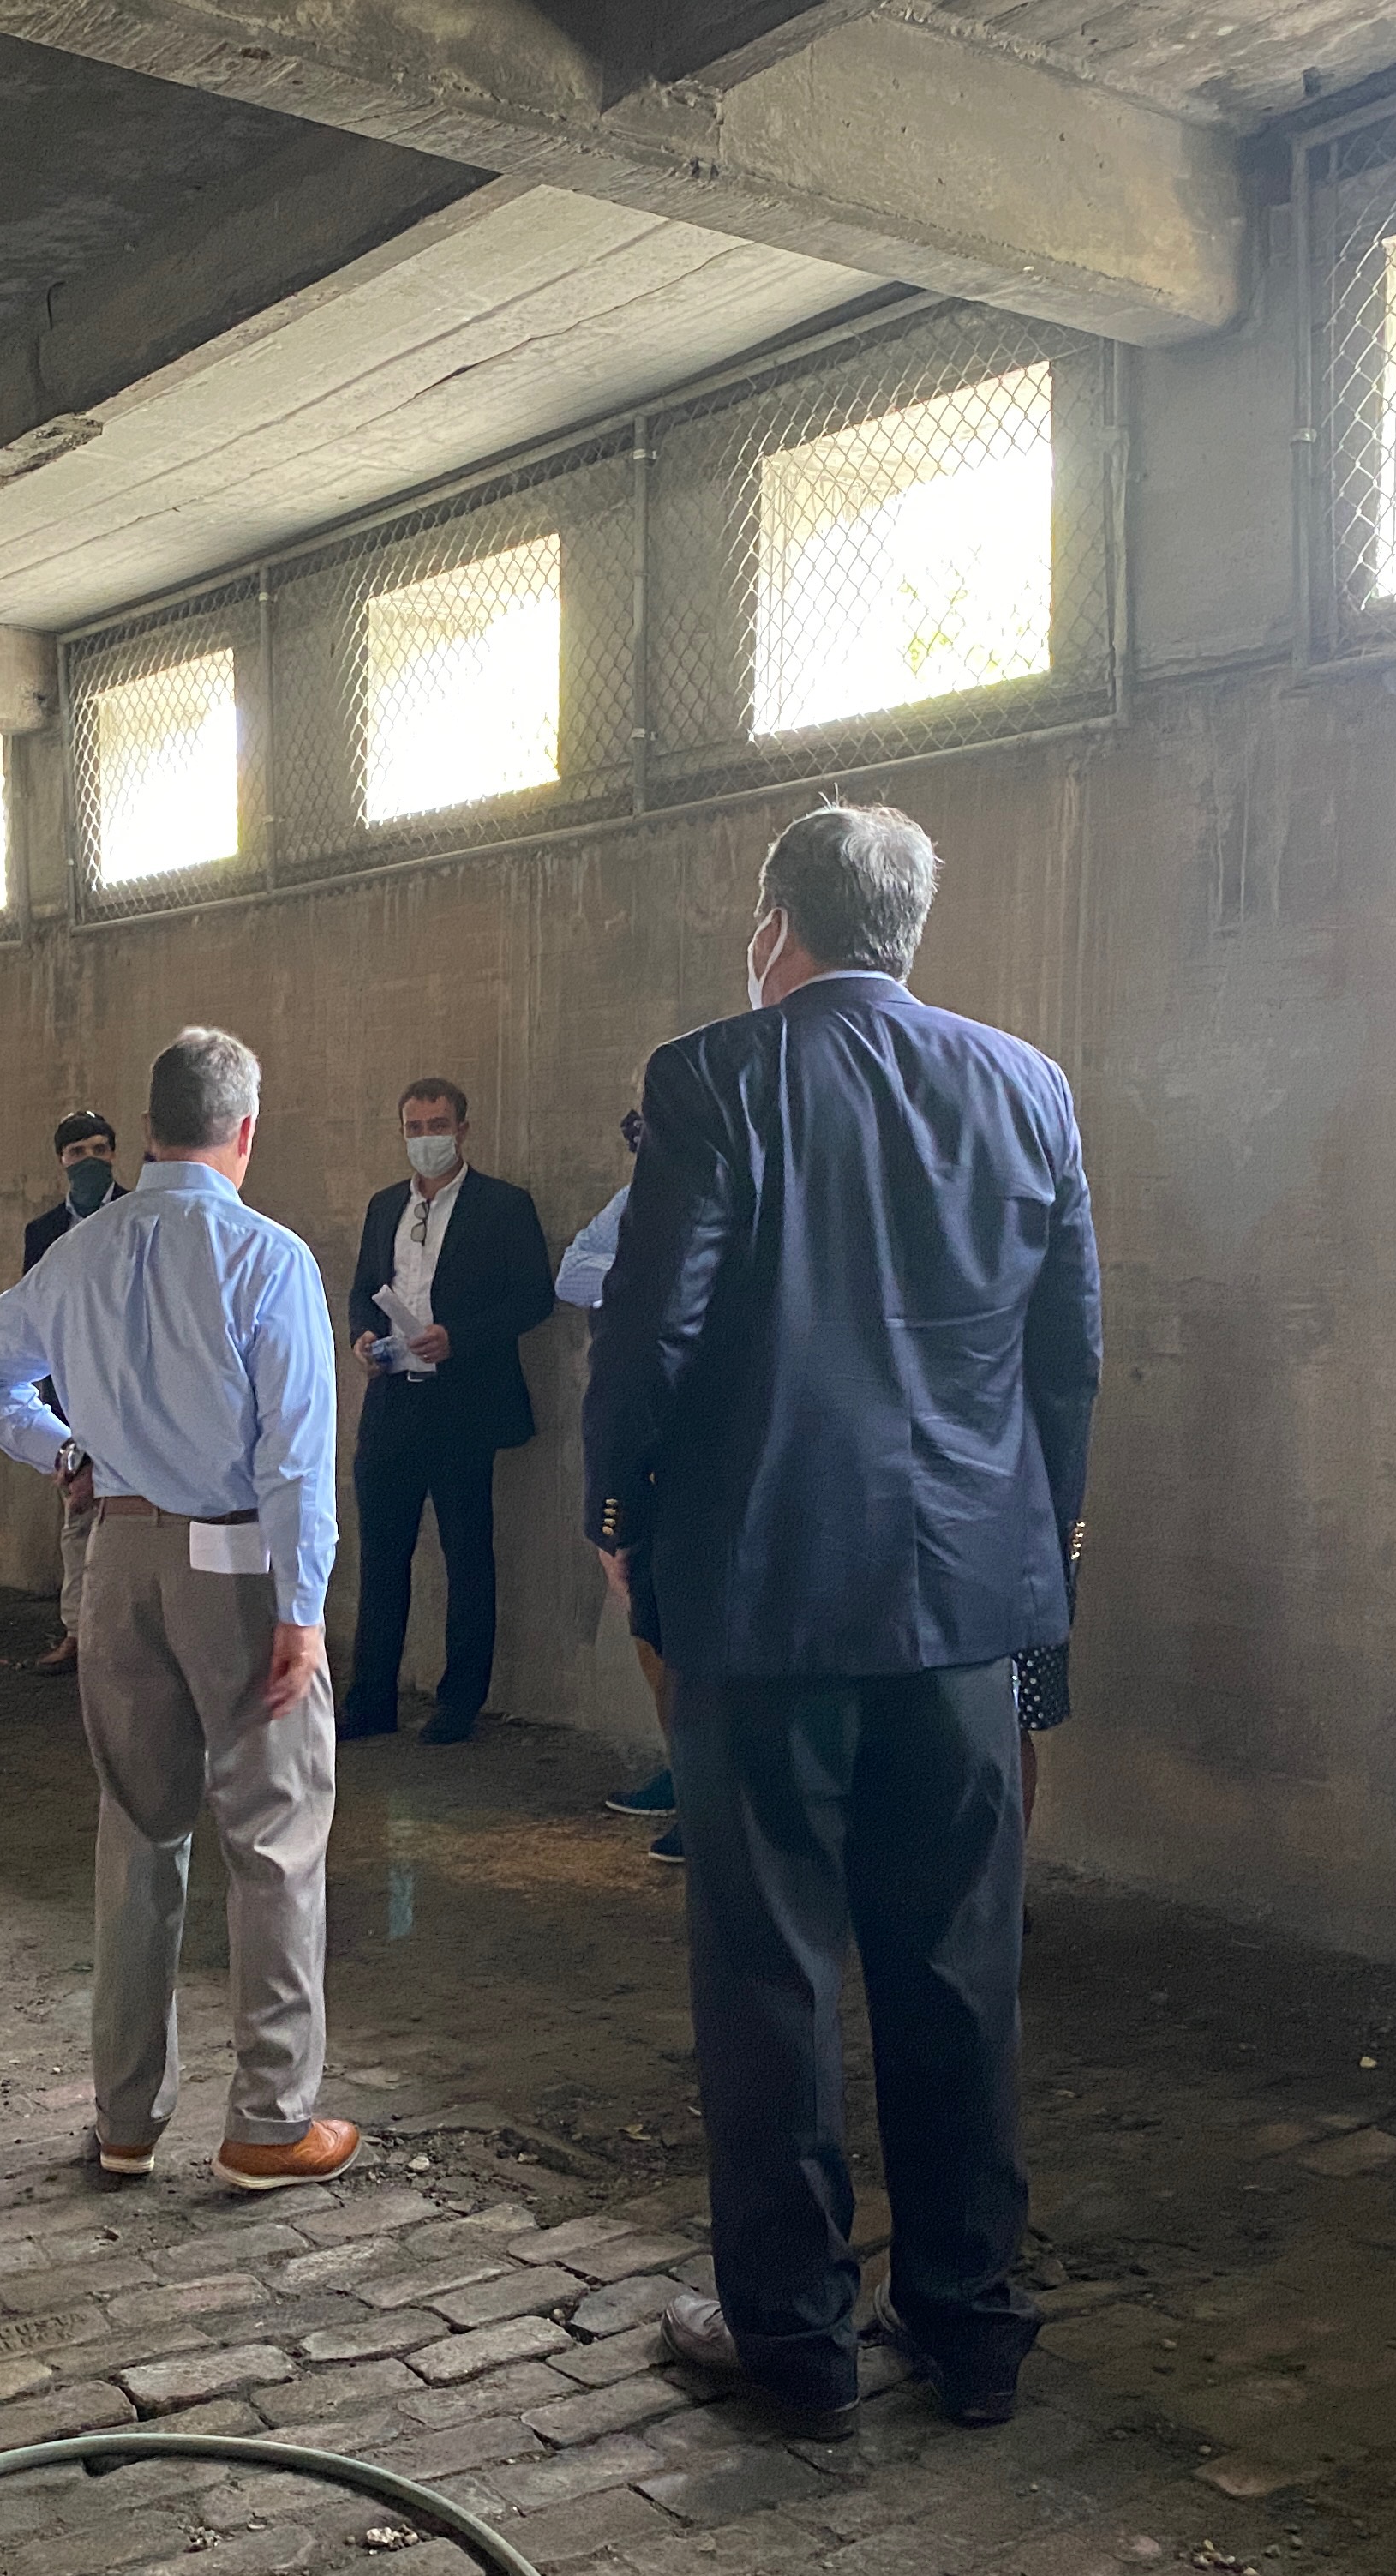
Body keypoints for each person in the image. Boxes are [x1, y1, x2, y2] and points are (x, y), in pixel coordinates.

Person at [588, 803, 1099, 2437]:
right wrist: (1043, 1541)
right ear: (909, 927)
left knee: (772, 1970)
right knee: (960, 1965)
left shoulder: (718, 1073)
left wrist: (620, 1513)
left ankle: (796, 2342)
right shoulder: (1029, 1084)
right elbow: (1065, 1351)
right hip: (967, 1602)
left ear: (770, 921)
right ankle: (969, 2325)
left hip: (766, 1594)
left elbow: (653, 1330)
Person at [0, 1028, 356, 2194]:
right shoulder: (264, 1256)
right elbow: (298, 1457)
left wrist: (60, 1446)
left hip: (116, 1555)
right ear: (246, 1131)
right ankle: (271, 2120)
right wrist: (304, 1607)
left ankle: (126, 2117)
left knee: (137, 1831)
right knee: (272, 1839)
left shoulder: (80, 1251)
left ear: (153, 1125)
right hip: (234, 1561)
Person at [337, 1079, 553, 1746]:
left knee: (466, 1553)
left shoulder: (504, 1206)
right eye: (414, 1125)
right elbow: (362, 1292)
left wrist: (461, 1336)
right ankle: (372, 1698)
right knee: (381, 1555)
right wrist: (363, 1340)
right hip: (393, 1400)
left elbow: (533, 1299)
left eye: (438, 1124)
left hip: (464, 1403)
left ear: (463, 1129)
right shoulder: (383, 1207)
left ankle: (460, 1703)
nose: (425, 1137)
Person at [558, 1103, 682, 1864]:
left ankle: (716, 1798)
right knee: (650, 1624)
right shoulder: (637, 1202)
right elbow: (576, 1273)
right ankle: (690, 1773)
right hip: (639, 1444)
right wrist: (646, 1281)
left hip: (707, 1449)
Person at [21, 1109, 128, 1678]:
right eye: (76, 1152)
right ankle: (77, 1634)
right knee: (76, 1516)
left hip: (131, 1395)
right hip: (71, 1398)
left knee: (131, 1523)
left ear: (115, 1153)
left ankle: (125, 1642)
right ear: (61, 1161)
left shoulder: (141, 1217)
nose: (89, 1160)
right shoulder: (43, 1234)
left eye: (99, 1148)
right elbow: (32, 1318)